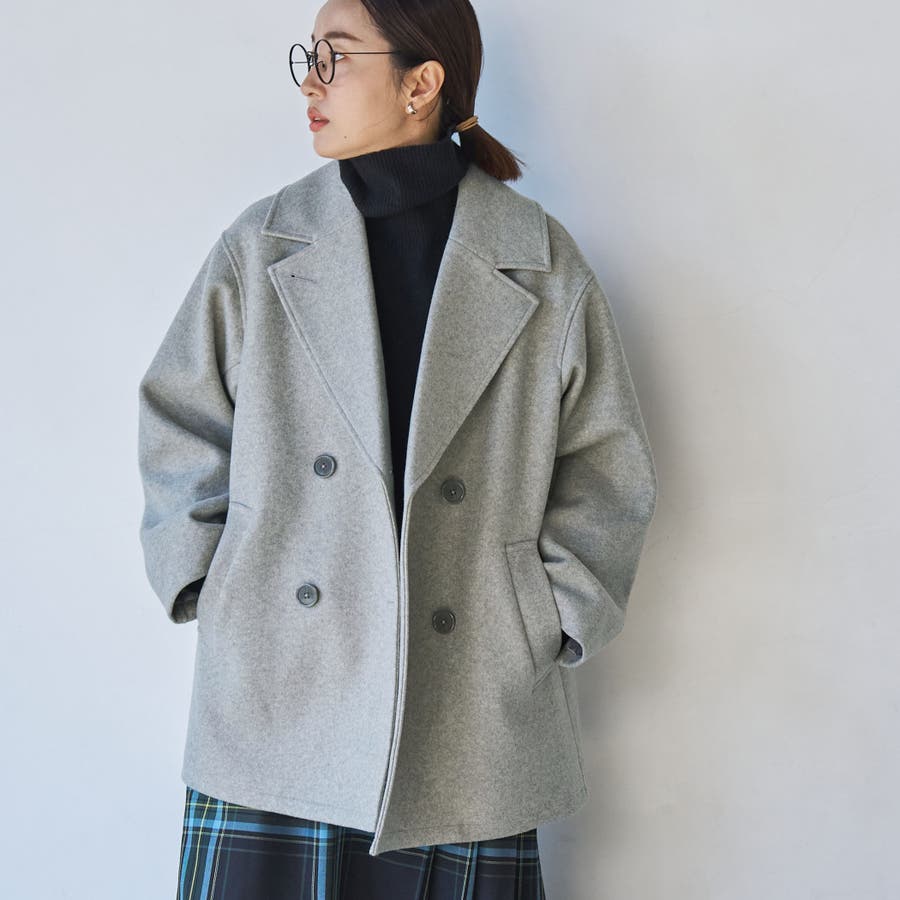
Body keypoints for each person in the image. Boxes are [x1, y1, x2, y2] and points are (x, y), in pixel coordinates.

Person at [137, 0, 658, 897]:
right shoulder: (262, 246)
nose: (310, 83)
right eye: (308, 57)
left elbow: (606, 465)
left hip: (469, 708)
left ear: (422, 83)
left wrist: (549, 613)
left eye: (335, 57)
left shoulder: (539, 260)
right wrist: (210, 582)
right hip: (277, 692)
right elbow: (180, 414)